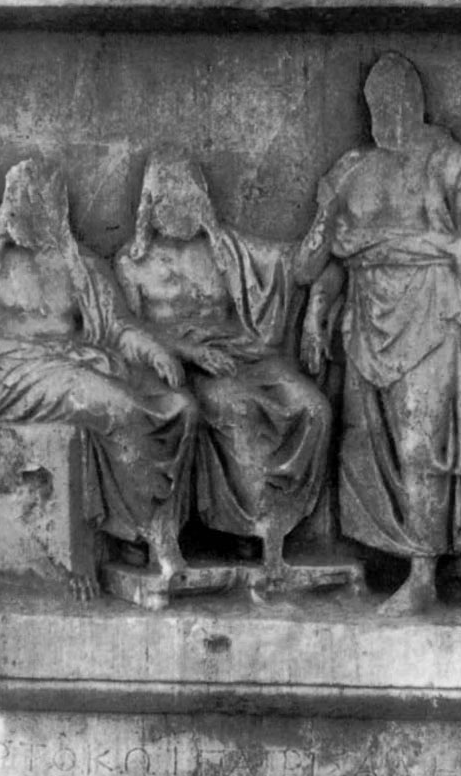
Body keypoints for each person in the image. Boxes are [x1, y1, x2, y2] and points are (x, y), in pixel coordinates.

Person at [295, 53, 461, 612]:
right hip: (367, 319)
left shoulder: (449, 161)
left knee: (422, 443)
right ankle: (420, 555)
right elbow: (317, 264)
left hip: (431, 312)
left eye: (399, 100)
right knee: (370, 446)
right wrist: (316, 306)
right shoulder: (352, 170)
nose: (389, 113)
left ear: (417, 101)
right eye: (379, 103)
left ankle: (424, 576)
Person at [0, 158, 198, 591]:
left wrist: (154, 352)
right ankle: (152, 532)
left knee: (181, 407)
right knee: (117, 405)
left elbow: (118, 327)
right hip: (15, 377)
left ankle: (131, 527)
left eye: (35, 201)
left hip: (78, 364)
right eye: (17, 201)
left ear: (56, 207)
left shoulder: (80, 266)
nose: (24, 210)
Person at [115, 149, 331, 581]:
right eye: (171, 201)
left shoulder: (226, 250)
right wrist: (188, 352)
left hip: (242, 356)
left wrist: (330, 215)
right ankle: (254, 530)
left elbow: (297, 266)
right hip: (181, 368)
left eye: (190, 199)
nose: (182, 210)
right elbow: (129, 330)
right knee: (238, 409)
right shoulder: (132, 263)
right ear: (151, 207)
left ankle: (280, 518)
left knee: (314, 409)